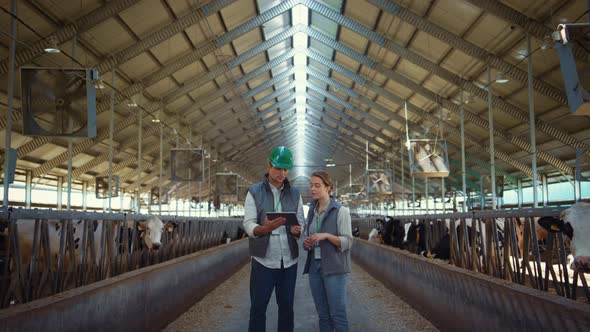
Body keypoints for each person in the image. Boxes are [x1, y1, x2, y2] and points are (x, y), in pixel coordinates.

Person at [243, 146, 305, 332]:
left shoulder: (295, 194)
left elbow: (300, 222)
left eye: (286, 169)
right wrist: (265, 228)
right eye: (278, 168)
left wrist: (297, 230)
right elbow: (248, 224)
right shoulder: (254, 192)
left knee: (286, 308)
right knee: (258, 307)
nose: (282, 173)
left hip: (289, 261)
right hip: (263, 260)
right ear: (269, 165)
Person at [303, 170, 353, 332]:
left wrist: (326, 236)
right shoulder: (311, 211)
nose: (313, 189)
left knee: (337, 314)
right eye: (311, 185)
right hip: (314, 267)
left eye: (317, 185)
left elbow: (347, 242)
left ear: (329, 188)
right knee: (323, 314)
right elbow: (309, 238)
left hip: (334, 268)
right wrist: (307, 242)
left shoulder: (340, 211)